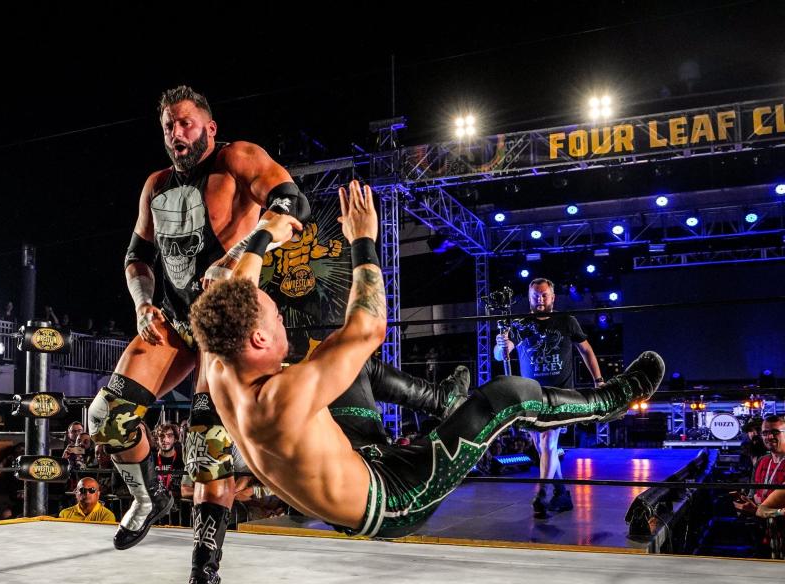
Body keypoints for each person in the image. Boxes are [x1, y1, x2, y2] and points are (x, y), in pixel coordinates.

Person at [189, 180, 664, 545]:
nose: (282, 321)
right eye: (275, 319)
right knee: (505, 396)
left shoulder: (220, 360)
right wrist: (363, 241)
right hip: (392, 499)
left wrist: (263, 234)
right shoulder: (280, 397)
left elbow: (225, 282)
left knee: (345, 363)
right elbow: (369, 327)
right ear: (255, 337)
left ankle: (444, 400)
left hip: (354, 461)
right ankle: (614, 400)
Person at [86, 85, 312, 584]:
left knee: (209, 455)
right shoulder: (155, 186)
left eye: (185, 124)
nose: (176, 135)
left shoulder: (239, 159)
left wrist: (243, 250)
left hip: (229, 322)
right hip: (177, 319)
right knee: (106, 418)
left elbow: (292, 202)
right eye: (168, 126)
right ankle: (148, 495)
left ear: (209, 127)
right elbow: (137, 256)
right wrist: (143, 304)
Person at [494, 277, 605, 518]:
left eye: (544, 295)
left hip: (560, 395)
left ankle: (542, 493)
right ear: (530, 297)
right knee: (543, 447)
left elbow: (586, 349)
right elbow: (501, 352)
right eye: (536, 295)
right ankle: (561, 494)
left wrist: (598, 380)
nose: (540, 299)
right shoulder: (520, 324)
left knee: (547, 442)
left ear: (553, 297)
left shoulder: (566, 321)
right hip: (532, 395)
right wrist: (500, 345)